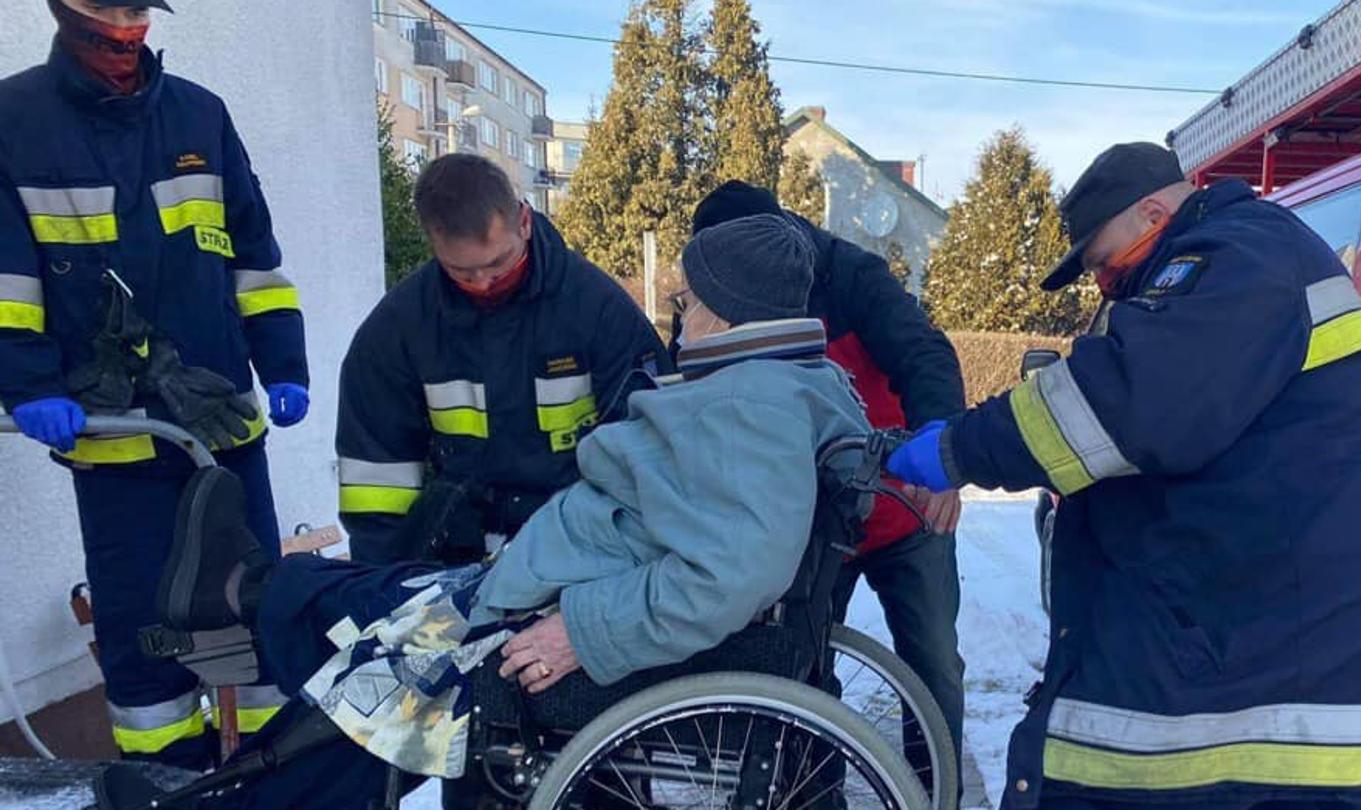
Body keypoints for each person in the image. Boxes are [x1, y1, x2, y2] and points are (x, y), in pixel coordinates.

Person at [94, 215, 874, 809]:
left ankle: (239, 632)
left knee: (378, 652)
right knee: (380, 628)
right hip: (572, 572)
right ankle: (244, 628)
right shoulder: (789, 386)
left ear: (727, 309)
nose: (678, 306)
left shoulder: (747, 403)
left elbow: (733, 573)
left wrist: (582, 631)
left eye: (688, 294)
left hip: (578, 609)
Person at [886, 143, 1361, 810]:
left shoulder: (1236, 256)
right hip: (1320, 651)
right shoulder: (1250, 253)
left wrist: (955, 450)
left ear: (1152, 214)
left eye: (1103, 263)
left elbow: (1128, 404)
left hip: (1333, 693)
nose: (1103, 284)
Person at [0, 0, 308, 768]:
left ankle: (271, 777)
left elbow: (255, 258)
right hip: (113, 438)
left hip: (221, 423)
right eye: (107, 22)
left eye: (136, 19)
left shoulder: (201, 116)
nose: (125, 39)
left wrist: (284, 364)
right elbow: (7, 278)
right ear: (65, 19)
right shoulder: (16, 120)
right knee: (142, 632)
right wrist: (27, 383)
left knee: (255, 611)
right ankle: (167, 779)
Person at [692, 180, 968, 765]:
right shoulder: (722, 298)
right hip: (813, 526)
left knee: (934, 666)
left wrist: (939, 453)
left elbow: (926, 355)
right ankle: (817, 796)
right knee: (803, 675)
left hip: (905, 509)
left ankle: (933, 791)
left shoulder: (852, 278)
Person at [334, 154, 666, 566]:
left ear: (524, 222)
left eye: (497, 263)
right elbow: (376, 479)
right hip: (458, 554)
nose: (483, 283)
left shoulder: (597, 310)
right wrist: (381, 586)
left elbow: (651, 448)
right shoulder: (398, 330)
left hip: (580, 548)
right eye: (461, 271)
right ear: (433, 244)